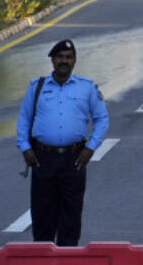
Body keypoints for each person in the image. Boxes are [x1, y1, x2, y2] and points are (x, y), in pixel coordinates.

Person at [15, 39, 110, 246]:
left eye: (68, 57)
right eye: (59, 57)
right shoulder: (37, 87)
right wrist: (25, 148)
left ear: (74, 61)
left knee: (71, 215)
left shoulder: (87, 87)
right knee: (42, 215)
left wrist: (90, 148)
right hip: (42, 158)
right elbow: (24, 119)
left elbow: (102, 119)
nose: (64, 61)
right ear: (52, 60)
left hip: (74, 159)